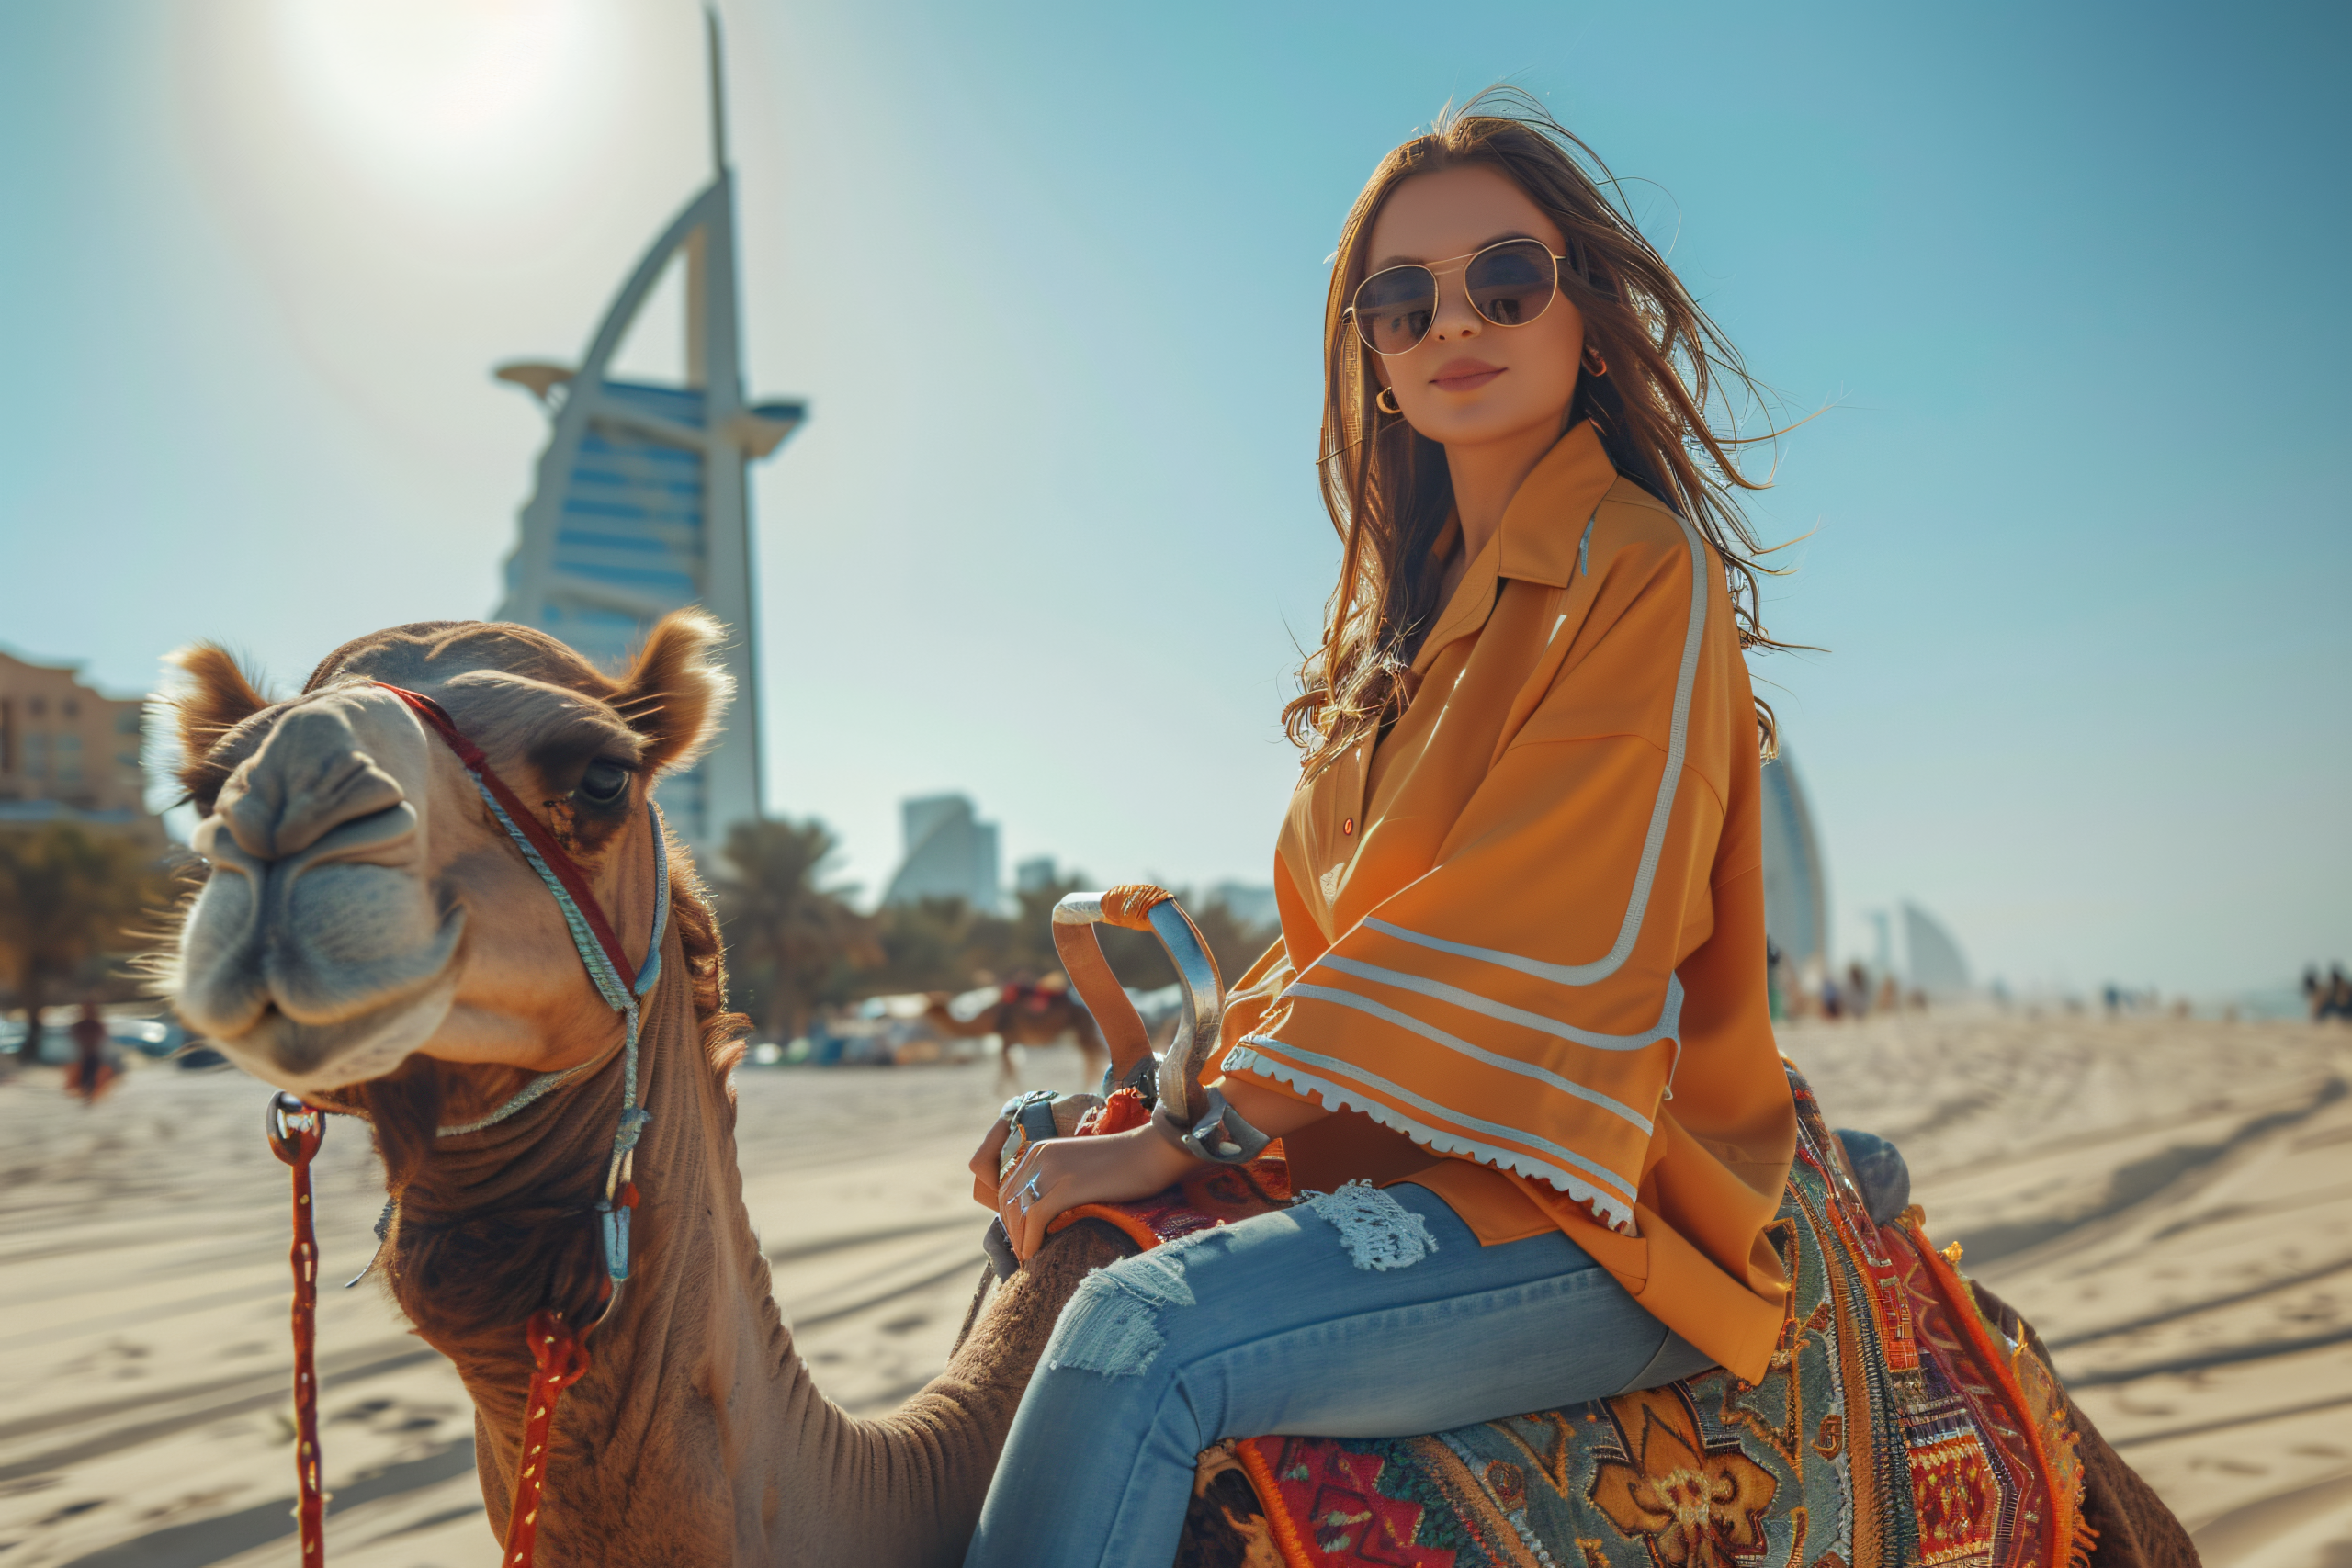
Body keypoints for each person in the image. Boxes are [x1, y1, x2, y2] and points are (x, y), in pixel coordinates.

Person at [966, 92, 1804, 1566]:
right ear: (1372, 351)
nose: (1451, 326)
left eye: (1505, 281)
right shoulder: (1387, 648)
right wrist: (1166, 1094)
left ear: (1584, 311)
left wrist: (1203, 1122)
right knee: (1038, 1218)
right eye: (1401, 302)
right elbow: (1332, 945)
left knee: (1135, 1334)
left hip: (1595, 1193)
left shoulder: (1637, 569)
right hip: (1377, 1156)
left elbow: (1546, 925)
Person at [65, 1001, 115, 1105]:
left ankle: (89, 1093)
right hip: (85, 1053)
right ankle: (87, 1092)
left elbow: (102, 1037)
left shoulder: (95, 1024)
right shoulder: (83, 1025)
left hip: (92, 1053)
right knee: (86, 1072)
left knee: (92, 1071)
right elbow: (73, 1035)